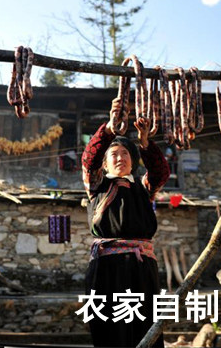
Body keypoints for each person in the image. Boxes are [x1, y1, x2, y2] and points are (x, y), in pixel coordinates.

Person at [81, 99, 170, 348]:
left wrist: (145, 142)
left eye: (125, 154)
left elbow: (161, 173)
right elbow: (89, 159)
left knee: (146, 327)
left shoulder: (143, 187)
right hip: (107, 268)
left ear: (133, 160)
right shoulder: (97, 184)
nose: (120, 158)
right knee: (110, 329)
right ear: (105, 163)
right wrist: (110, 128)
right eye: (114, 154)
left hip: (142, 268)